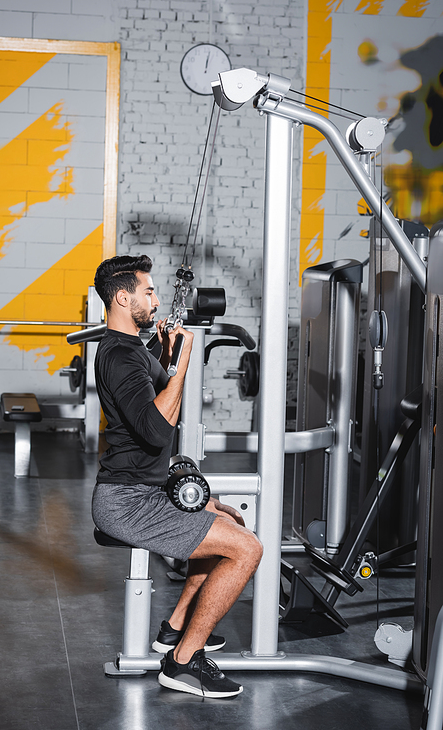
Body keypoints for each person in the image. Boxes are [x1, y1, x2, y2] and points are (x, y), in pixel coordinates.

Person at [92, 254, 263, 698]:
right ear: (124, 297)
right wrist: (184, 360)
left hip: (143, 490)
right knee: (247, 550)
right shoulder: (119, 357)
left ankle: (175, 628)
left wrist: (164, 354)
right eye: (148, 291)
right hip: (127, 502)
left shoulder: (128, 348)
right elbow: (154, 429)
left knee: (229, 522)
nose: (156, 298)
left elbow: (145, 382)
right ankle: (182, 662)